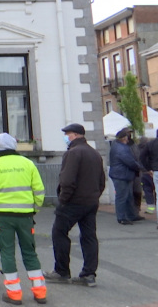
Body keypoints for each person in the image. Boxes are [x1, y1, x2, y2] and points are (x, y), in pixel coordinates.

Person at [0, 133, 46, 305]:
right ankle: (40, 293)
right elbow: (39, 191)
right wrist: (34, 210)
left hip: (3, 217)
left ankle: (14, 294)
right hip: (26, 216)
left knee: (7, 253)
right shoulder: (28, 164)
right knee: (30, 252)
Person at [44, 123, 105, 287]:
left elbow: (67, 180)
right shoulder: (94, 153)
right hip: (91, 201)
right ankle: (89, 274)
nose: (66, 137)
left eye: (68, 134)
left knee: (59, 232)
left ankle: (62, 271)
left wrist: (63, 200)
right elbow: (101, 181)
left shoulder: (73, 153)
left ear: (76, 135)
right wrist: (94, 195)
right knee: (89, 236)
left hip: (73, 202)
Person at [109, 127, 144, 224]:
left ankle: (131, 215)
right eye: (127, 136)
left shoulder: (118, 146)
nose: (129, 138)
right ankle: (122, 217)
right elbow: (130, 162)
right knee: (122, 197)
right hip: (121, 175)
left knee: (128, 196)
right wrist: (141, 168)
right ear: (124, 138)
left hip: (123, 174)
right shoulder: (121, 148)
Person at [137, 137, 156, 214]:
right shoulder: (152, 147)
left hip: (144, 173)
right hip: (153, 172)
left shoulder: (137, 149)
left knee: (147, 190)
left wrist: (145, 170)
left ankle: (150, 208)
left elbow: (139, 161)